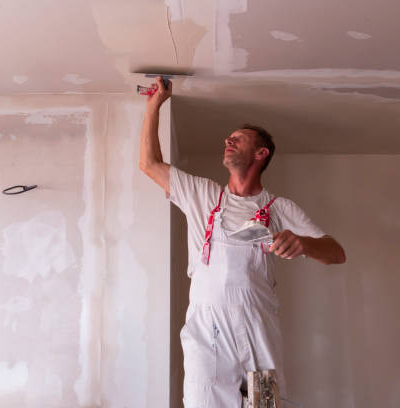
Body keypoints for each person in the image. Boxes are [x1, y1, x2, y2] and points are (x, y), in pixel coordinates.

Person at [139, 77, 346, 407]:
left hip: (256, 328)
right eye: (228, 138)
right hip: (207, 328)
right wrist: (154, 104)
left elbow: (336, 253)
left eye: (237, 139)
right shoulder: (202, 194)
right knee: (202, 401)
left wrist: (303, 243)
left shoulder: (279, 208)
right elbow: (149, 164)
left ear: (261, 153)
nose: (228, 141)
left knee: (265, 404)